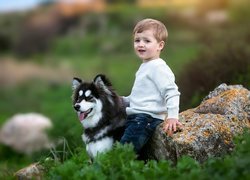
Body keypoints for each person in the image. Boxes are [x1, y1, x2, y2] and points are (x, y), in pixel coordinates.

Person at [121, 18, 182, 155]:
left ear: (160, 45)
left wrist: (172, 116)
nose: (140, 44)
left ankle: (113, 173)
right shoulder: (146, 66)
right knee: (132, 152)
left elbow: (172, 92)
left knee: (124, 153)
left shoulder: (158, 67)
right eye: (137, 40)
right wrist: (123, 100)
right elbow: (141, 95)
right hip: (137, 117)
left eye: (147, 41)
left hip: (145, 119)